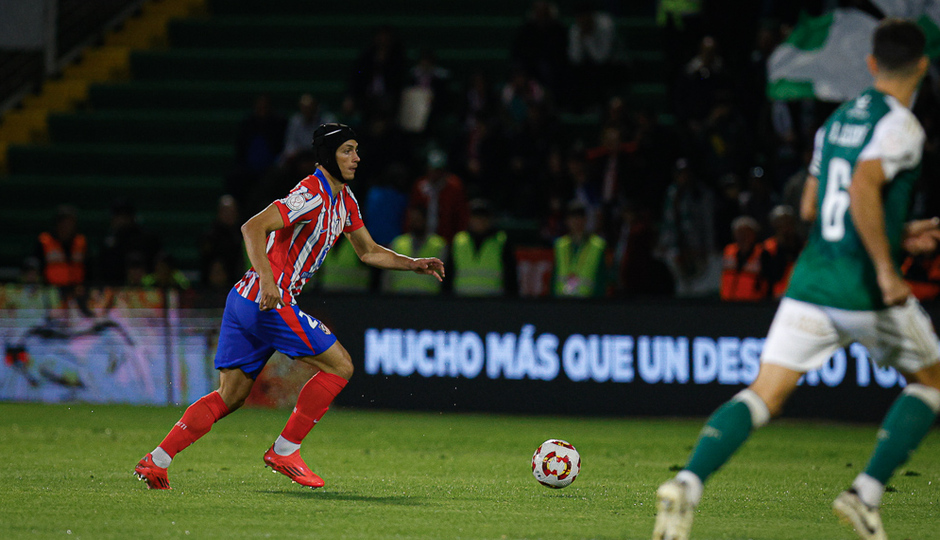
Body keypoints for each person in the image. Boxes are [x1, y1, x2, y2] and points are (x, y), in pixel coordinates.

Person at [653, 20, 940, 540]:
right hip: (863, 287)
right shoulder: (903, 126)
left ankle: (688, 482)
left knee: (765, 393)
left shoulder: (834, 124)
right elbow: (863, 186)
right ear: (922, 66)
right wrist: (885, 265)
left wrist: (897, 234)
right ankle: (866, 493)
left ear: (871, 64)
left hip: (810, 282)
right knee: (934, 384)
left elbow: (811, 205)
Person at [133, 123, 445, 490]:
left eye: (357, 149)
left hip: (245, 300)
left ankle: (157, 461)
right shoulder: (310, 194)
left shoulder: (344, 200)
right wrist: (267, 279)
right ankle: (285, 450)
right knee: (340, 365)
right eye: (347, 150)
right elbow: (252, 227)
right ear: (329, 155)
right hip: (267, 299)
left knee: (230, 396)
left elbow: (369, 250)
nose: (356, 157)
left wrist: (412, 263)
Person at [553, 201, 608, 298]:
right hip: (562, 303)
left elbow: (601, 279)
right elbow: (555, 277)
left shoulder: (597, 246)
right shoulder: (560, 245)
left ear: (585, 219)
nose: (576, 221)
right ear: (567, 221)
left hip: (588, 304)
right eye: (573, 218)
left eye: (580, 217)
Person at [35, 205, 86, 289]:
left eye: (70, 222)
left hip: (76, 290)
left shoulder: (81, 242)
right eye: (64, 222)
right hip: (51, 289)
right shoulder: (45, 241)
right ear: (57, 223)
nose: (67, 226)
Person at [718, 216, 766, 302]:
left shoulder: (762, 253)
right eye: (739, 232)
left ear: (754, 234)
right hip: (728, 302)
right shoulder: (728, 251)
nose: (743, 236)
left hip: (753, 304)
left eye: (746, 232)